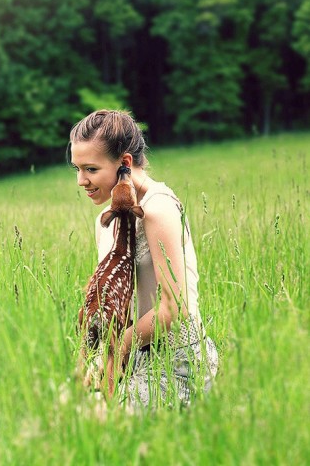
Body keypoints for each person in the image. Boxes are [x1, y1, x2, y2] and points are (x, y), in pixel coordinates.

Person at [69, 109, 218, 409]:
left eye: (91, 169)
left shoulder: (158, 209)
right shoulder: (105, 220)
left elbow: (174, 308)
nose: (80, 180)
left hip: (177, 359)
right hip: (131, 353)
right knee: (65, 411)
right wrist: (97, 357)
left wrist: (117, 349)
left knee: (97, 420)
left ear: (125, 162)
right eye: (77, 169)